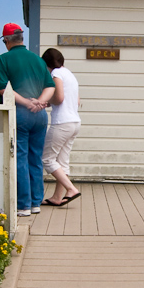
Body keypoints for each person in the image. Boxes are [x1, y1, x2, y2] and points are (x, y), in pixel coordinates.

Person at [0, 23, 55, 216]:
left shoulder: (3, 60)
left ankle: (23, 205)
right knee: (35, 157)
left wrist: (27, 104)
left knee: (19, 157)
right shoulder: (38, 60)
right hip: (40, 116)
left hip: (19, 114)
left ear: (6, 41)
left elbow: (4, 89)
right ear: (21, 39)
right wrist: (38, 103)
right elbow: (50, 86)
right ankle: (36, 202)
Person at [40, 48, 82, 206]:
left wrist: (46, 102)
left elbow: (59, 98)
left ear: (47, 63)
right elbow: (76, 100)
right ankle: (57, 197)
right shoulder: (70, 75)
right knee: (62, 161)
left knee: (47, 159)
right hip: (75, 122)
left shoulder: (55, 74)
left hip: (62, 123)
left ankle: (71, 189)